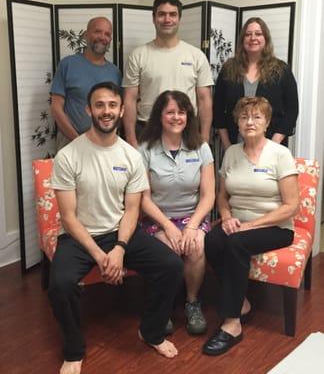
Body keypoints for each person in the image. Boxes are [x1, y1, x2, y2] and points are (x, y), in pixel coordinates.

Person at [49, 82, 184, 374]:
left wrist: (120, 248)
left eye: (112, 105)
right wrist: (101, 256)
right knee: (59, 284)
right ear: (89, 110)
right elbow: (69, 218)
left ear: (122, 110)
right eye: (99, 105)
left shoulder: (131, 156)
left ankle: (151, 332)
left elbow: (133, 209)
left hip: (119, 232)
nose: (106, 111)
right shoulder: (68, 156)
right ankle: (74, 349)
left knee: (171, 265)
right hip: (78, 236)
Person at [203, 96, 299, 356]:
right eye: (244, 117)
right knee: (211, 240)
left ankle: (232, 323)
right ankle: (242, 301)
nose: (250, 122)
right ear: (237, 122)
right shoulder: (232, 152)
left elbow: (291, 206)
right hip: (239, 225)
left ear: (267, 122)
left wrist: (251, 225)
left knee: (236, 242)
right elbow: (223, 195)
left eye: (257, 117)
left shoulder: (280, 154)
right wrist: (226, 216)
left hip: (276, 227)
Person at [139, 90, 215, 335]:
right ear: (159, 116)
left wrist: (192, 226)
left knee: (196, 247)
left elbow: (208, 195)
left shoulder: (201, 147)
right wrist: (168, 226)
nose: (176, 117)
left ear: (188, 116)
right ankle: (165, 304)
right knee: (167, 251)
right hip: (157, 217)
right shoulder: (145, 149)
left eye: (181, 112)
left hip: (192, 216)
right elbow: (143, 198)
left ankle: (192, 302)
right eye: (169, 112)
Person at [123, 0, 214, 148]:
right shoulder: (138, 56)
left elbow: (205, 100)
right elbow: (129, 100)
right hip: (148, 129)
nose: (167, 19)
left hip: (187, 131)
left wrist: (204, 139)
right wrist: (131, 139)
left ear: (179, 19)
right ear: (153, 18)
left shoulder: (196, 56)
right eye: (162, 14)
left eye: (173, 14)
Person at [213, 17, 298, 149]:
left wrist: (273, 144)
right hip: (235, 146)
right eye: (248, 34)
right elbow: (217, 109)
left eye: (258, 34)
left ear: (266, 39)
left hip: (272, 145)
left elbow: (292, 110)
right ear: (242, 40)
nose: (253, 38)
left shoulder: (281, 70)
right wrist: (227, 145)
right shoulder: (228, 69)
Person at [51, 17, 122, 150]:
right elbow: (56, 107)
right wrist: (79, 141)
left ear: (110, 40)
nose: (102, 37)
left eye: (107, 34)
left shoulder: (115, 72)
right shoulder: (67, 64)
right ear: (86, 35)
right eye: (97, 31)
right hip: (70, 143)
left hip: (104, 145)